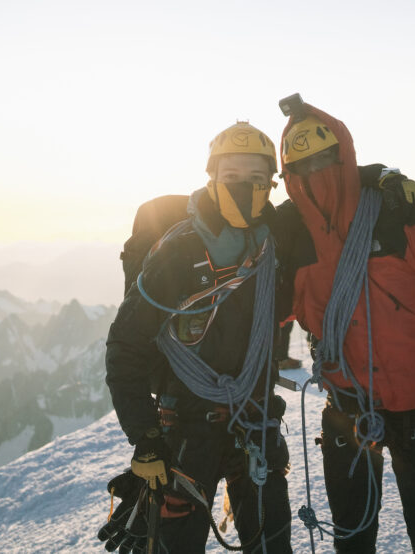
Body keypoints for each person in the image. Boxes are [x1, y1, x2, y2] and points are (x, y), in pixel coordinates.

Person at [278, 99, 415, 554]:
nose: (317, 171)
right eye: (304, 165)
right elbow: (267, 312)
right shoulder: (290, 235)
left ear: (345, 156)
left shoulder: (404, 212)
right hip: (347, 407)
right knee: (352, 540)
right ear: (289, 174)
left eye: (324, 158)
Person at [102, 121, 294, 553]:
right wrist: (146, 438)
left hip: (253, 422)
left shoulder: (279, 241)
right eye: (231, 178)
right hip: (185, 432)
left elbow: (334, 195)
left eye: (256, 179)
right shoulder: (178, 250)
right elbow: (126, 348)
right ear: (211, 178)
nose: (244, 188)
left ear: (271, 184)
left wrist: (382, 176)